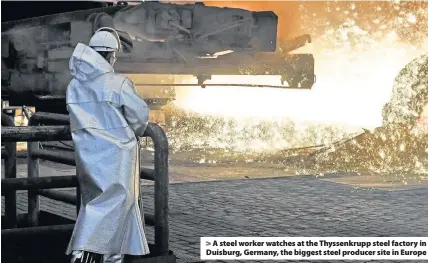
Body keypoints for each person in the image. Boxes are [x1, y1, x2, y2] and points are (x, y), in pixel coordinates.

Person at [65, 27, 150, 263]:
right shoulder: (118, 83)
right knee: (114, 205)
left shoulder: (74, 86)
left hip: (88, 155)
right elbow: (139, 117)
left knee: (96, 203)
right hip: (117, 155)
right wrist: (133, 133)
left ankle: (111, 257)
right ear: (111, 55)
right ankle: (83, 254)